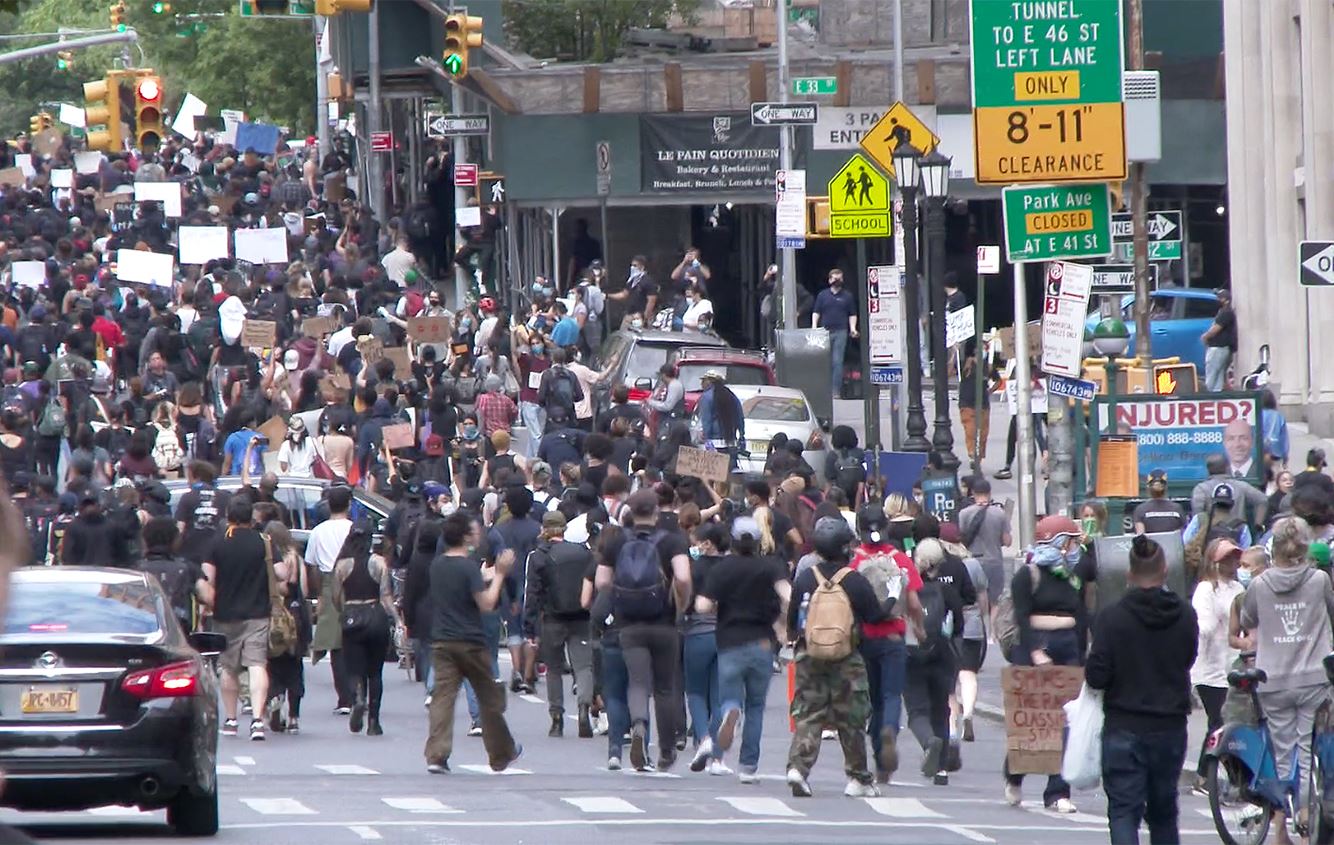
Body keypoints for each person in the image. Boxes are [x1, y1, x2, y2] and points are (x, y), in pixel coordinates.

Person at [1085, 534, 1199, 845]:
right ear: (1164, 570)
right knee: (1164, 811)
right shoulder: (1186, 615)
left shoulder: (1111, 618)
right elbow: (1189, 658)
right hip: (1170, 724)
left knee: (1123, 810)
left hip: (1124, 723)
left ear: (1129, 575)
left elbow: (1097, 676)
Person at [785, 517, 910, 798]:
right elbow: (875, 616)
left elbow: (793, 617)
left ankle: (798, 768)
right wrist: (891, 596)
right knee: (851, 717)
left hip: (809, 654)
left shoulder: (806, 577)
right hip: (846, 657)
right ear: (844, 548)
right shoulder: (853, 580)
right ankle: (858, 777)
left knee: (809, 713)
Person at [1240, 517, 1334, 844]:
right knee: (1307, 750)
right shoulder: (1320, 580)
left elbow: (1247, 619)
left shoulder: (1260, 584)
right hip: (1313, 676)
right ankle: (1307, 815)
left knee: (1283, 755)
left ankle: (1281, 827)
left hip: (1274, 677)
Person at [593, 489, 692, 771]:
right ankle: (667, 750)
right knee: (664, 687)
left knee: (637, 681)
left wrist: (621, 594)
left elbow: (601, 582)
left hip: (629, 622)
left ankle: (638, 725)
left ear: (629, 513)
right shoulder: (672, 541)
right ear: (657, 512)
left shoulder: (616, 542)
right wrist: (680, 602)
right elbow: (683, 577)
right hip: (664, 621)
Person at [692, 516, 791, 782]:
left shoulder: (723, 569)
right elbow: (788, 596)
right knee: (757, 705)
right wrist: (781, 623)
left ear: (733, 541)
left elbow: (701, 605)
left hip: (730, 641)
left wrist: (717, 604)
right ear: (758, 542)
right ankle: (748, 767)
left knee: (730, 698)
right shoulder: (770, 567)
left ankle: (729, 714)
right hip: (762, 642)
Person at [425, 512, 523, 774]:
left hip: (442, 639)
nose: (478, 534)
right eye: (474, 531)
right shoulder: (468, 567)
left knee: (442, 699)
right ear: (466, 536)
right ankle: (501, 752)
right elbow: (487, 604)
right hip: (470, 639)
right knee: (488, 698)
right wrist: (500, 574)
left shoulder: (437, 566)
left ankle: (437, 754)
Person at [1004, 515, 1090, 813]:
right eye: (1072, 540)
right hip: (1035, 646)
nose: (1076, 546)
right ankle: (1015, 775)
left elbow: (1081, 617)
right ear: (1058, 542)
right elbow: (1022, 619)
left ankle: (1057, 791)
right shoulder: (1026, 576)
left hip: (1068, 648)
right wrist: (1036, 652)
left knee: (1065, 722)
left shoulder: (1071, 577)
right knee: (1032, 723)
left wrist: (1082, 656)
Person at [848, 505, 924, 783]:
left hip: (865, 637)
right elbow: (914, 603)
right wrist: (919, 627)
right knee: (892, 696)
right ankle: (890, 733)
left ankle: (879, 755)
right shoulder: (901, 560)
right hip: (893, 637)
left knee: (873, 699)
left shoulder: (854, 562)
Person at [204, 498, 273, 742]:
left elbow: (207, 577)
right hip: (258, 612)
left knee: (228, 667)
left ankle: (231, 719)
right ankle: (256, 720)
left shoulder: (219, 542)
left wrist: (208, 604)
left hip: (225, 614)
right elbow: (282, 572)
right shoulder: (263, 542)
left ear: (228, 516)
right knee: (257, 664)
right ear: (251, 519)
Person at [522, 510, 596, 738]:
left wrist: (530, 626)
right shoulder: (583, 553)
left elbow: (532, 593)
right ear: (564, 529)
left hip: (552, 618)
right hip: (581, 617)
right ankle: (584, 705)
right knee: (583, 666)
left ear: (544, 529)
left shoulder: (538, 557)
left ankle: (556, 716)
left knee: (553, 669)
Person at [331, 520, 402, 737]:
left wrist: (344, 611)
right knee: (375, 672)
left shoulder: (342, 565)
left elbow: (336, 598)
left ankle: (357, 697)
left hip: (353, 617)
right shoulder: (379, 563)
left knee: (353, 668)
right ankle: (374, 721)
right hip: (376, 616)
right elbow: (386, 595)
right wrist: (398, 619)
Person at [1190, 537, 1245, 789]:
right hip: (1209, 667)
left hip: (1232, 663)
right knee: (1218, 721)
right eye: (1226, 558)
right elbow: (1204, 625)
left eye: (1234, 557)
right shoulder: (1206, 589)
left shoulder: (1238, 589)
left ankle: (1230, 777)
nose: (1232, 562)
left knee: (1231, 722)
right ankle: (1205, 775)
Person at [305, 485, 356, 714]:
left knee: (335, 642)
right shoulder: (354, 529)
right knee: (355, 638)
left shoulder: (318, 532)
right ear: (349, 505)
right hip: (355, 581)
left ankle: (344, 697)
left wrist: (319, 594)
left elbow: (313, 566)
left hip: (327, 581)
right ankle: (357, 691)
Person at [957, 478, 1010, 623]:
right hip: (994, 561)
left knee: (976, 599)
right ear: (989, 493)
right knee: (995, 601)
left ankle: (980, 628)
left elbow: (961, 539)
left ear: (973, 493)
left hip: (972, 562)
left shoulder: (964, 514)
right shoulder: (999, 513)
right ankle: (993, 634)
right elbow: (1007, 541)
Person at [811, 269, 857, 394]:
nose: (837, 281)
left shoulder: (847, 296)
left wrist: (853, 328)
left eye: (839, 278)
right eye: (835, 278)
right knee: (824, 361)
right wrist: (814, 327)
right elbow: (816, 312)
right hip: (824, 332)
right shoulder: (823, 295)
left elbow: (852, 314)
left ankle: (835, 391)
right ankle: (823, 390)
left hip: (841, 331)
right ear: (829, 279)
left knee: (837, 362)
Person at [1201, 288, 1236, 392]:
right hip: (1219, 349)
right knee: (1218, 378)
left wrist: (1205, 336)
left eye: (1220, 298)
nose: (1217, 299)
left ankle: (1209, 396)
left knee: (1212, 376)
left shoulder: (1226, 313)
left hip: (1219, 348)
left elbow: (1216, 329)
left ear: (1226, 300)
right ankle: (1216, 394)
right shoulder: (1223, 312)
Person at [1132, 469, 1186, 534]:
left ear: (1148, 487)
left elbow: (1140, 536)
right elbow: (1184, 534)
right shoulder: (1177, 508)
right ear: (1166, 487)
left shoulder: (1140, 510)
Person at [1261, 389, 1289, 467]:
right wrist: (1285, 456)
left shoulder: (1255, 415)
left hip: (1259, 454)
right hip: (1275, 453)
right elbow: (1284, 438)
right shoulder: (1279, 417)